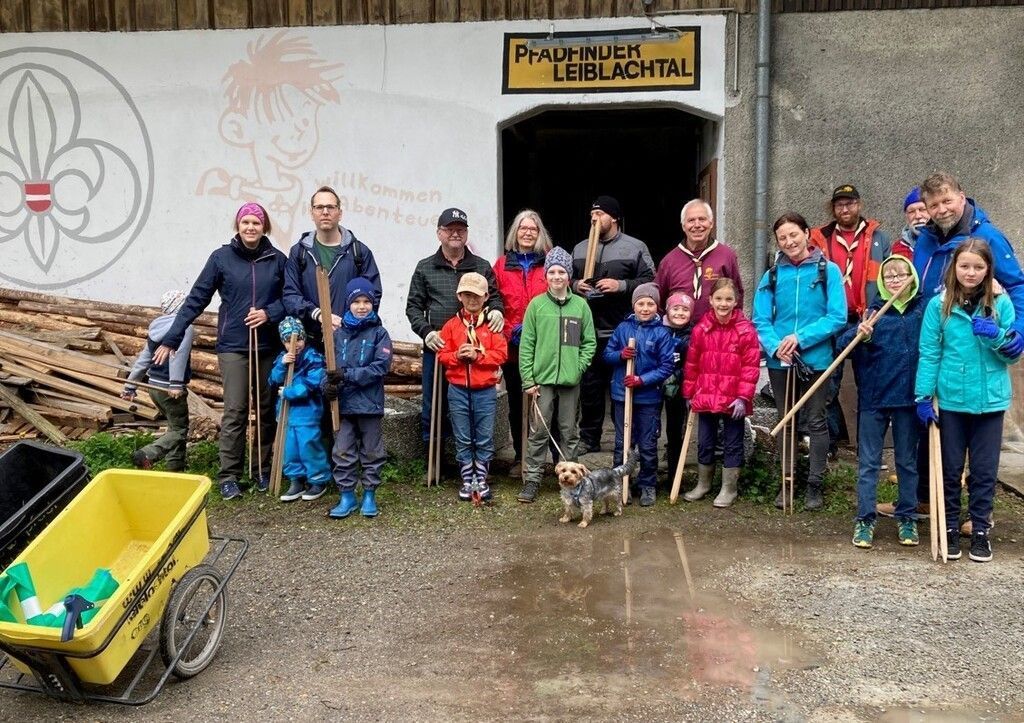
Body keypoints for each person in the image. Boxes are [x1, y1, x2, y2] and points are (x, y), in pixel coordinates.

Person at [155, 202, 287, 500]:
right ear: (237, 226)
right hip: (234, 346)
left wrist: (268, 313)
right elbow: (197, 298)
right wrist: (172, 337)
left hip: (267, 345)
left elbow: (290, 298)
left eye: (256, 222)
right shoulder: (221, 258)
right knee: (236, 410)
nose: (251, 227)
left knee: (266, 410)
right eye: (246, 222)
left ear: (264, 227)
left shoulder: (277, 259)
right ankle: (229, 475)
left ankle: (262, 470)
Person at [916, 238, 1018, 563]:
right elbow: (930, 352)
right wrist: (923, 394)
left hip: (990, 400)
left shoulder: (1001, 303)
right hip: (952, 399)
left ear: (988, 269)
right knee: (949, 469)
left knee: (985, 470)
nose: (970, 272)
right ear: (954, 267)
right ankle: (948, 525)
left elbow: (1011, 357)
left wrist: (998, 336)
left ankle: (980, 531)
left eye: (978, 267)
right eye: (964, 266)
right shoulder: (939, 305)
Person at [752, 212, 847, 510]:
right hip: (781, 361)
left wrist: (801, 338)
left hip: (816, 360)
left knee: (817, 421)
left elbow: (837, 316)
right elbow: (760, 318)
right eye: (782, 238)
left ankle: (815, 485)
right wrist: (774, 345)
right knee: (786, 420)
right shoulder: (772, 275)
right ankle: (786, 481)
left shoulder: (828, 271)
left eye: (794, 234)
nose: (789, 241)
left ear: (807, 233)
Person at [809, 184, 903, 457]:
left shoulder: (878, 238)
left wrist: (879, 314)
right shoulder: (820, 239)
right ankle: (830, 445)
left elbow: (888, 279)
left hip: (868, 320)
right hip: (833, 322)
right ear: (833, 208)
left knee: (869, 385)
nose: (845, 209)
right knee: (829, 383)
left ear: (859, 205)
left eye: (849, 203)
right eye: (839, 204)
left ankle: (867, 447)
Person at [837, 256, 924, 549]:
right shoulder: (873, 314)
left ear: (912, 277)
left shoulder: (922, 313)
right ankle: (865, 519)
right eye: (890, 276)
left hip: (909, 400)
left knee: (906, 462)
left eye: (902, 274)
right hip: (874, 398)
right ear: (883, 283)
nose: (896, 280)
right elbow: (842, 346)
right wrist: (859, 335)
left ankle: (907, 515)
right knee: (869, 463)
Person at [406, 208, 505, 458]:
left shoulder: (481, 266)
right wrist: (426, 332)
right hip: (440, 347)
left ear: (466, 233)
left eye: (460, 229)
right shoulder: (425, 267)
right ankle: (435, 459)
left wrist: (496, 311)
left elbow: (494, 297)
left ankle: (473, 462)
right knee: (434, 404)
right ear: (439, 233)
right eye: (449, 229)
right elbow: (413, 307)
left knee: (473, 407)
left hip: (475, 348)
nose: (455, 234)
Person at [572, 196, 656, 454]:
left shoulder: (635, 247)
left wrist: (620, 286)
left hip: (622, 330)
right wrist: (577, 286)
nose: (594, 219)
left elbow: (650, 282)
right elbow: (567, 279)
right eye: (591, 214)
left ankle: (627, 439)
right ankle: (589, 438)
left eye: (600, 214)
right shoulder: (579, 248)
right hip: (587, 329)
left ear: (614, 217)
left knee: (622, 385)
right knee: (590, 387)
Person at [516, 247, 596, 503]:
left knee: (569, 431)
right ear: (546, 275)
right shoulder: (536, 306)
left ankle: (571, 481)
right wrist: (528, 379)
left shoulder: (581, 306)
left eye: (562, 271)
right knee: (539, 432)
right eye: (552, 271)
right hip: (542, 382)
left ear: (569, 275)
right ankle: (532, 480)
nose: (557, 276)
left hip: (570, 382)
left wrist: (578, 367)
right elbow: (527, 344)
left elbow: (589, 343)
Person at [914, 172, 1024, 346]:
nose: (942, 210)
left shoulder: (987, 237)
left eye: (947, 201)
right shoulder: (924, 240)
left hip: (975, 343)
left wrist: (1019, 329)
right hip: (933, 341)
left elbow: (1017, 285)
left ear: (962, 198)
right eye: (933, 205)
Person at [681, 278, 760, 508]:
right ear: (710, 300)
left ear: (736, 301)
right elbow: (692, 364)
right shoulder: (701, 329)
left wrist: (743, 397)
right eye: (718, 299)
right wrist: (689, 392)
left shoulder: (746, 331)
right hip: (705, 395)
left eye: (728, 299)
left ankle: (729, 488)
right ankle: (704, 484)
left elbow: (751, 366)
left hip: (733, 398)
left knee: (732, 443)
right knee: (705, 442)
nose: (723, 303)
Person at [321, 278, 393, 519]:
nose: (361, 306)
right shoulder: (337, 336)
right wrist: (327, 387)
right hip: (342, 406)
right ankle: (347, 495)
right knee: (342, 451)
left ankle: (370, 493)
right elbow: (328, 369)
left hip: (369, 404)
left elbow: (380, 367)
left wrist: (347, 375)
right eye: (356, 301)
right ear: (348, 304)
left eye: (366, 302)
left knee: (372, 451)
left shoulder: (379, 334)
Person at [601, 283, 675, 506]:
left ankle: (647, 485)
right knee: (623, 443)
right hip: (622, 396)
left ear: (657, 307)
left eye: (650, 304)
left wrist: (642, 380)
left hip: (648, 398)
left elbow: (666, 366)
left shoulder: (662, 333)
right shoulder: (623, 329)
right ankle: (620, 484)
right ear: (634, 305)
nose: (645, 308)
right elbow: (607, 355)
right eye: (640, 303)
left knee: (648, 443)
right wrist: (621, 355)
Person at [283, 186, 382, 351]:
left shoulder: (359, 252)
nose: (325, 212)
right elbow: (290, 295)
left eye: (330, 207)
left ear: (340, 213)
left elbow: (373, 294)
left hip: (349, 343)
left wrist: (349, 322)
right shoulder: (299, 252)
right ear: (312, 212)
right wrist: (319, 315)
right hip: (309, 343)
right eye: (319, 207)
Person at [437, 272, 508, 501]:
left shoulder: (492, 325)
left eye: (477, 295)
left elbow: (501, 354)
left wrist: (478, 355)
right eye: (467, 295)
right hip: (457, 388)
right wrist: (457, 355)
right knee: (464, 436)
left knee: (484, 436)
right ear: (459, 296)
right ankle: (467, 479)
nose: (472, 300)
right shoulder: (450, 326)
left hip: (485, 389)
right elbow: (442, 354)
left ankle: (482, 478)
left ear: (486, 296)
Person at [493, 210, 552, 475]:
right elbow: (495, 303)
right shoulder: (502, 265)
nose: (527, 233)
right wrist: (509, 330)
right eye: (522, 228)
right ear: (514, 233)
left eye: (533, 229)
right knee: (518, 405)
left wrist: (538, 330)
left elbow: (558, 298)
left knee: (547, 402)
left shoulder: (549, 263)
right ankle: (521, 456)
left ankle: (546, 458)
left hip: (545, 346)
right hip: (513, 348)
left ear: (540, 234)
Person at [122, 290, 193, 472]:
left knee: (173, 426)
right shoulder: (183, 327)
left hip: (153, 387)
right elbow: (178, 355)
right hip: (169, 388)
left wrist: (130, 386)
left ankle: (175, 469)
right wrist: (176, 384)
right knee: (179, 430)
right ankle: (149, 453)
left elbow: (144, 359)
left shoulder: (156, 327)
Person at [269, 317, 333, 503]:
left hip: (307, 413)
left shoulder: (312, 357)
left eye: (298, 339)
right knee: (289, 449)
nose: (294, 344)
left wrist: (290, 392)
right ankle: (295, 480)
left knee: (309, 446)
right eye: (288, 340)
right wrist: (282, 364)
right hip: (286, 414)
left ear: (304, 338)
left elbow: (313, 382)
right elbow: (273, 380)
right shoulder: (282, 358)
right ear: (283, 341)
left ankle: (318, 479)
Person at [654, 199, 744, 322]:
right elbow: (658, 301)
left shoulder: (726, 256)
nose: (697, 225)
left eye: (702, 219)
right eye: (691, 220)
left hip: (717, 334)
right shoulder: (669, 261)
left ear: (711, 223)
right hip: (680, 336)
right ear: (683, 226)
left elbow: (737, 295)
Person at [661, 292, 695, 479]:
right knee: (649, 430)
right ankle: (646, 477)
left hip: (679, 389)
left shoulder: (692, 335)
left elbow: (693, 363)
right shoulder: (657, 329)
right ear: (667, 310)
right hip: (654, 386)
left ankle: (674, 477)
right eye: (676, 308)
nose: (680, 313)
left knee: (675, 431)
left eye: (685, 310)